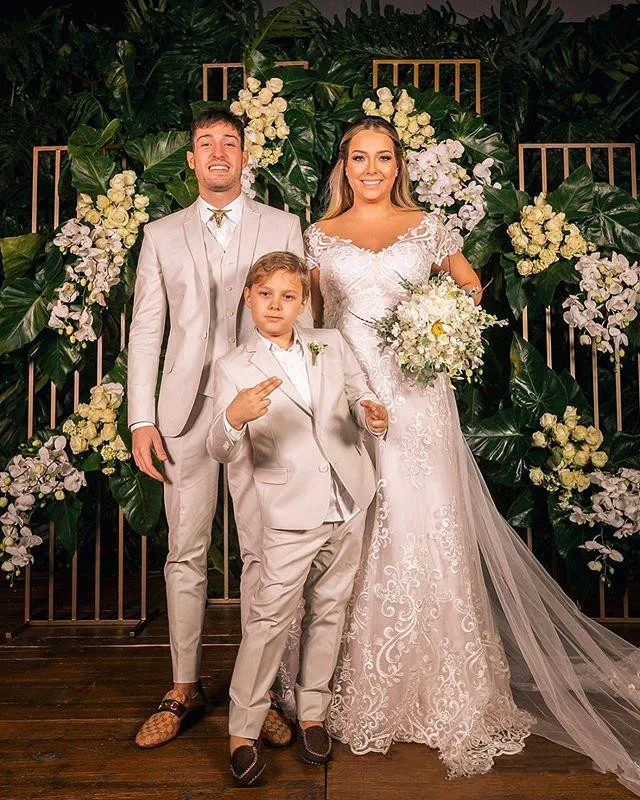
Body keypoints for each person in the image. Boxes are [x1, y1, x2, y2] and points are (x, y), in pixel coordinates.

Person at [301, 116, 640, 796]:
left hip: (418, 396)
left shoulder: (426, 226)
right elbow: (311, 324)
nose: (372, 169)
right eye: (360, 158)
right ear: (345, 165)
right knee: (357, 526)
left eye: (384, 158)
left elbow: (468, 288)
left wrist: (435, 332)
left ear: (399, 165)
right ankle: (341, 682)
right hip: (350, 400)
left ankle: (444, 685)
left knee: (425, 523)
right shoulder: (320, 235)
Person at [128, 108, 310, 749]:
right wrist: (142, 418)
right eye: (205, 143)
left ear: (245, 155)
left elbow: (300, 322)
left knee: (264, 553)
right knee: (185, 552)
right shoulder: (160, 234)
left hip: (264, 410)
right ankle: (184, 687)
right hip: (183, 415)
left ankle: (257, 694)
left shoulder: (282, 226)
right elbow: (146, 328)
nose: (217, 153)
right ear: (191, 159)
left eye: (229, 142)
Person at [207, 251, 388, 786]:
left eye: (288, 296)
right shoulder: (233, 366)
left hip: (348, 497)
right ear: (248, 298)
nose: (275, 305)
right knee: (268, 621)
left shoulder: (328, 343)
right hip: (288, 511)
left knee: (329, 609)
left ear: (303, 303)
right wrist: (233, 417)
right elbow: (219, 447)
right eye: (265, 295)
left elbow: (358, 393)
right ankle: (242, 732)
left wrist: (371, 413)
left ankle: (313, 715)